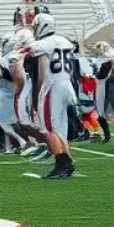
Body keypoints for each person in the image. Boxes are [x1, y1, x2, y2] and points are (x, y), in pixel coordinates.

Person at [30, 13, 77, 179]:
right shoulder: (65, 41)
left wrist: (38, 93)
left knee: (49, 128)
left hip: (53, 86)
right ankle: (68, 161)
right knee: (60, 127)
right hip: (67, 84)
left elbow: (42, 73)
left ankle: (61, 163)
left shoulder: (42, 45)